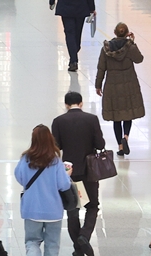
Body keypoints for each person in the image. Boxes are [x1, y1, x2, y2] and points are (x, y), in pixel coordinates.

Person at [51, 92, 105, 256]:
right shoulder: (91, 119)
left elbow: (56, 147)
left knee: (72, 209)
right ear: (81, 103)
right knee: (92, 206)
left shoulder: (58, 121)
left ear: (66, 104)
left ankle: (78, 248)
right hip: (89, 171)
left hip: (69, 172)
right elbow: (100, 143)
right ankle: (84, 236)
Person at [14, 124, 74, 256]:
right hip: (53, 211)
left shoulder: (25, 159)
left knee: (32, 242)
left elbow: (19, 177)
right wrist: (67, 174)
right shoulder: (55, 161)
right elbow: (64, 185)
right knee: (52, 245)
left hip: (31, 209)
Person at [95, 22, 145, 156]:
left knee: (116, 117)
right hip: (129, 84)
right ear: (127, 32)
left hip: (112, 86)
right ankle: (126, 136)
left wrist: (98, 85)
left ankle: (120, 146)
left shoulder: (106, 49)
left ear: (114, 32)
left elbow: (101, 68)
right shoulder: (130, 47)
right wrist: (132, 43)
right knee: (127, 114)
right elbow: (139, 59)